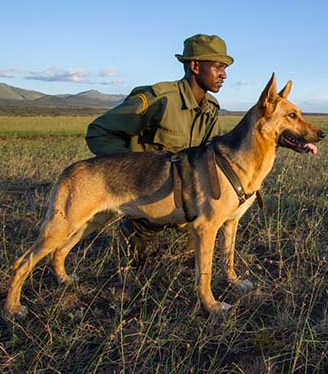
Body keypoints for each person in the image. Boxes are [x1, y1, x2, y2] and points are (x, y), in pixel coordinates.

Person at [85, 33, 233, 260]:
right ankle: (136, 227)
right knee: (139, 260)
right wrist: (128, 171)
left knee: (198, 237)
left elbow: (209, 154)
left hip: (181, 193)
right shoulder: (158, 99)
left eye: (225, 68)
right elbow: (98, 131)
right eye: (217, 67)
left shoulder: (211, 107)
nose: (224, 74)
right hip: (145, 189)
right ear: (194, 66)